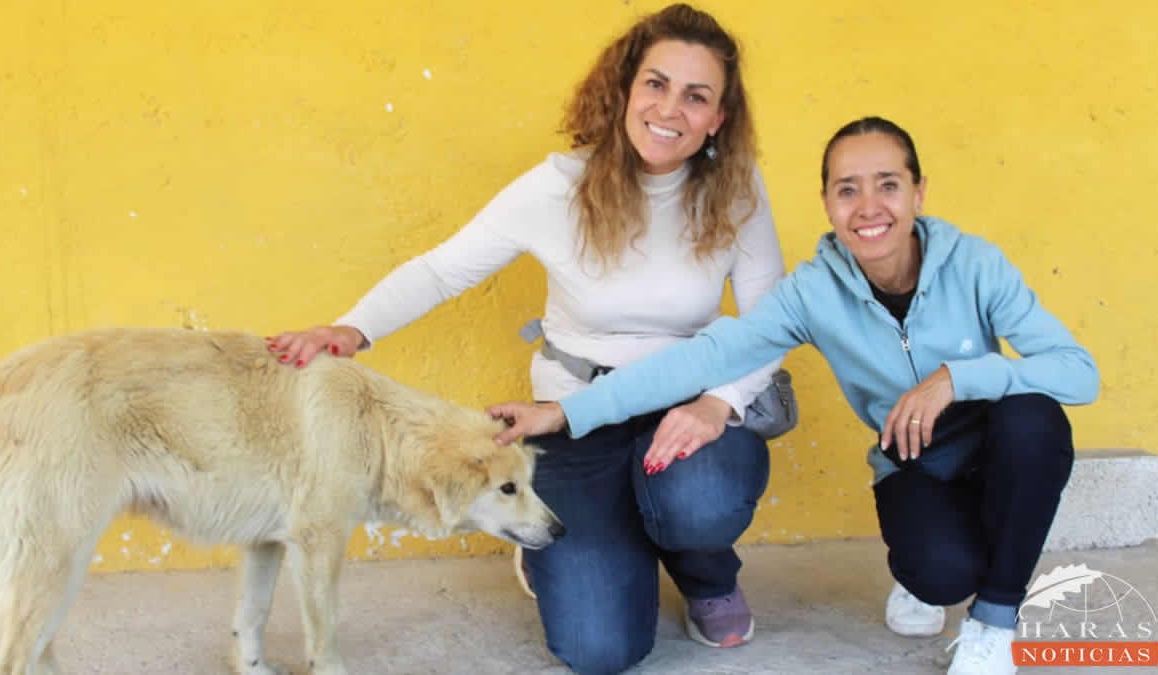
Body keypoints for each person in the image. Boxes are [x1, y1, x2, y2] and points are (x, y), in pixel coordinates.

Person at [268, 4, 788, 673]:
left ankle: (704, 569)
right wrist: (352, 328)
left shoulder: (738, 190)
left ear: (719, 117)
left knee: (699, 500)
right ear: (626, 88)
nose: (670, 109)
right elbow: (441, 268)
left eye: (697, 96)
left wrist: (719, 403)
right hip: (573, 414)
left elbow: (771, 320)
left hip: (688, 411)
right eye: (656, 84)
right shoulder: (556, 188)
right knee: (600, 648)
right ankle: (594, 537)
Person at [490, 116, 1099, 675]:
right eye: (847, 189)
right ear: (828, 204)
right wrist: (565, 412)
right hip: (913, 461)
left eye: (887, 184)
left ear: (918, 192)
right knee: (941, 574)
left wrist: (958, 379)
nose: (868, 207)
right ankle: (925, 576)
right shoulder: (813, 291)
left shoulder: (975, 264)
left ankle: (994, 621)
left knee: (1036, 420)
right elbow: (704, 358)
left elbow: (1078, 372)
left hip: (996, 447)